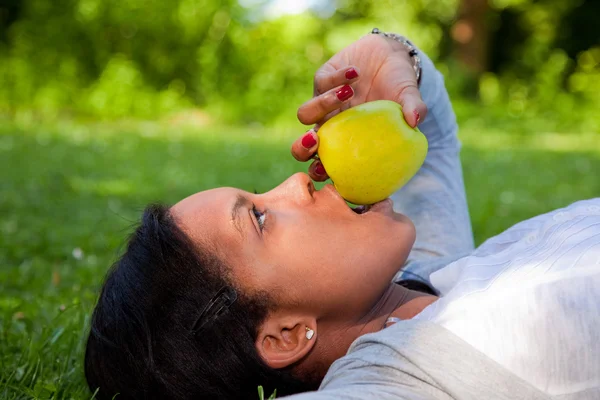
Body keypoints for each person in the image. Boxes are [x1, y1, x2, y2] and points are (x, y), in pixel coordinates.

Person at [84, 31, 600, 400]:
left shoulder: (423, 281)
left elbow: (431, 128)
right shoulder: (403, 376)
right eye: (260, 219)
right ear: (284, 336)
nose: (298, 180)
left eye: (263, 193)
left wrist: (390, 57)